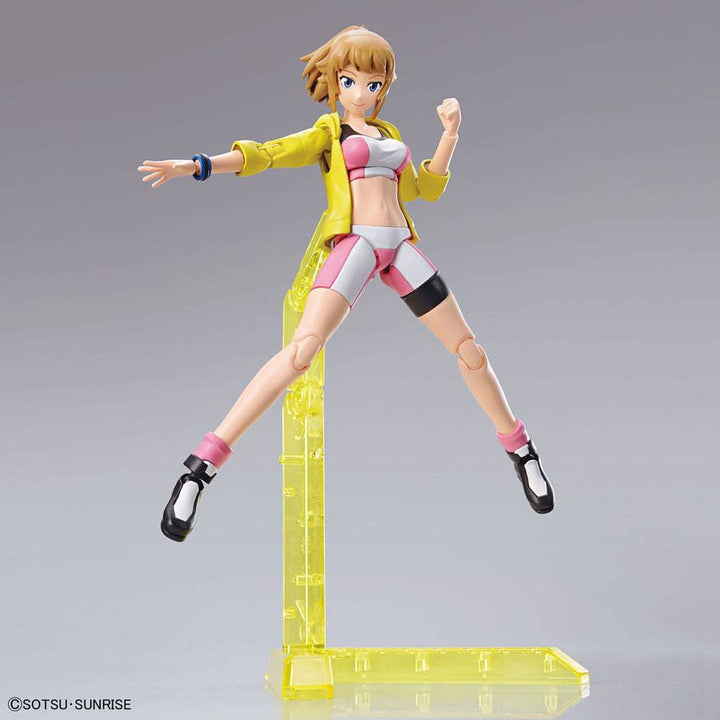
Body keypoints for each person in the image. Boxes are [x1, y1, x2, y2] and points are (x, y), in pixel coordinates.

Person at [138, 26, 554, 542]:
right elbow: (268, 153)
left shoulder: (389, 133)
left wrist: (450, 135)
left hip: (400, 247)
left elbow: (423, 190)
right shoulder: (330, 132)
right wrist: (198, 165)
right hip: (356, 246)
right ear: (336, 80)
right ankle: (199, 470)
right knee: (300, 354)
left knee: (470, 351)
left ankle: (522, 451)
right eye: (351, 81)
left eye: (374, 84)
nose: (362, 93)